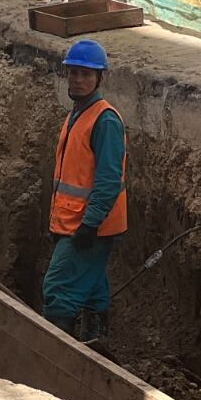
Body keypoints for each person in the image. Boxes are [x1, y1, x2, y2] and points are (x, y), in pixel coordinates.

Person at [42, 39, 127, 341]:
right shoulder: (77, 115)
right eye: (74, 73)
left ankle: (56, 358)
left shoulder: (104, 120)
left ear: (99, 78)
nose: (78, 80)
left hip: (89, 225)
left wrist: (89, 224)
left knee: (58, 289)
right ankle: (95, 345)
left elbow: (108, 180)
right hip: (73, 222)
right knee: (92, 288)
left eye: (86, 75)